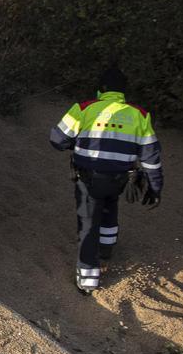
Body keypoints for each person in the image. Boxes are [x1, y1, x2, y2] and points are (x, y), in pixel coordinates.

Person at [49, 67, 163, 294]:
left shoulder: (83, 108)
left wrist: (77, 143)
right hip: (121, 179)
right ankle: (107, 250)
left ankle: (88, 281)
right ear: (124, 91)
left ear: (101, 90)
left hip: (89, 178)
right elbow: (151, 155)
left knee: (88, 224)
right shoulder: (140, 114)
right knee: (110, 208)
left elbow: (57, 139)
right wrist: (155, 185)